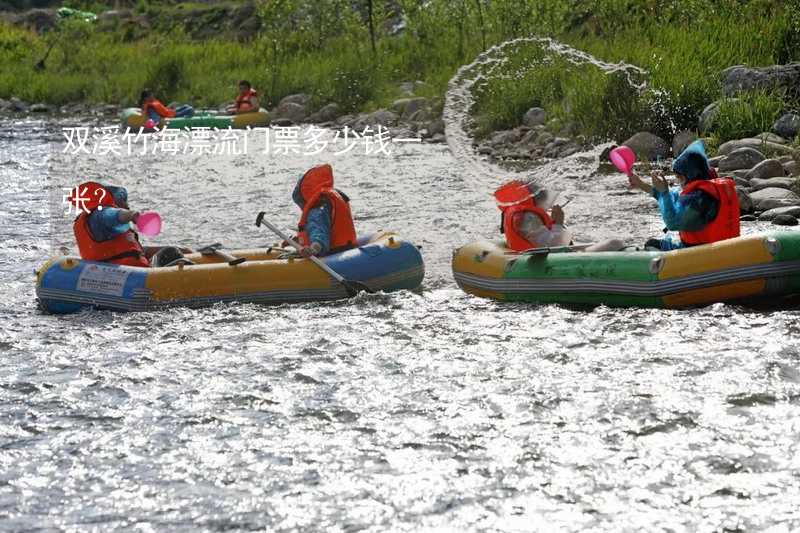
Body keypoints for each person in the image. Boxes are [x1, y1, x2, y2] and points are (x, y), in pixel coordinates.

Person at [627, 140, 740, 250]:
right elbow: (671, 199)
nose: (677, 182)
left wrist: (664, 192)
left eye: (678, 177)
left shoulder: (699, 199)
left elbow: (672, 223)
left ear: (686, 177)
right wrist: (641, 184)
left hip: (701, 254)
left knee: (651, 244)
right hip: (725, 250)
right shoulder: (707, 190)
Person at [71, 181, 190, 267]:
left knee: (176, 250)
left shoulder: (93, 219)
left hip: (109, 270)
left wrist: (182, 250)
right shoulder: (102, 215)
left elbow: (130, 251)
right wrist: (134, 216)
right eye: (123, 201)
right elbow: (116, 214)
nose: (127, 205)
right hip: (127, 274)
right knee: (171, 253)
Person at [495, 179, 623, 252]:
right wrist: (558, 223)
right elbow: (555, 247)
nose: (546, 204)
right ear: (533, 199)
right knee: (615, 243)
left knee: (606, 244)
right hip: (542, 264)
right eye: (543, 200)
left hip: (535, 257)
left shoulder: (520, 214)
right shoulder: (529, 218)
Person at [290, 164, 357, 257]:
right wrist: (298, 239)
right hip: (347, 247)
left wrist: (313, 249)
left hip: (333, 253)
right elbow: (327, 228)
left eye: (301, 203)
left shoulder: (317, 210)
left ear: (305, 198)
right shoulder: (331, 197)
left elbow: (320, 234)